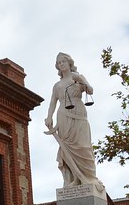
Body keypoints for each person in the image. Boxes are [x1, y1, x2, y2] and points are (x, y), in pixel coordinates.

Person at [44, 52, 103, 190]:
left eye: (63, 61)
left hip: (78, 112)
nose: (61, 64)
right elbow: (53, 102)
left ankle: (90, 178)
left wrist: (81, 80)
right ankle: (75, 179)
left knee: (83, 146)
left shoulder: (78, 78)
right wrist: (49, 116)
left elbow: (90, 90)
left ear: (69, 63)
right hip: (63, 115)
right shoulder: (57, 85)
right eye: (59, 63)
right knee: (67, 148)